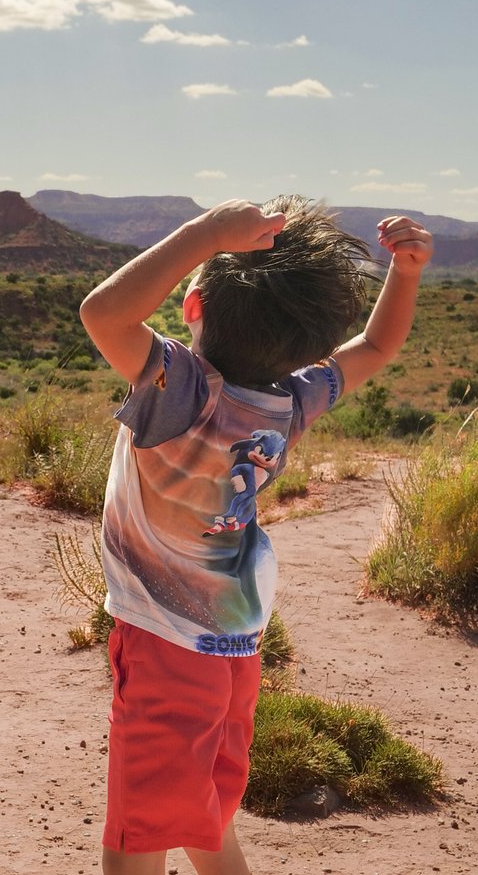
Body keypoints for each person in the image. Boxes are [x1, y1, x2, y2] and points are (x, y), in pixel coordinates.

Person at [79, 195, 433, 875]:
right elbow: (379, 345)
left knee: (136, 837)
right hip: (237, 642)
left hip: (166, 642)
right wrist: (407, 273)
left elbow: (103, 312)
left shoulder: (178, 386)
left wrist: (207, 234)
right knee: (206, 818)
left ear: (191, 308)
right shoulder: (293, 401)